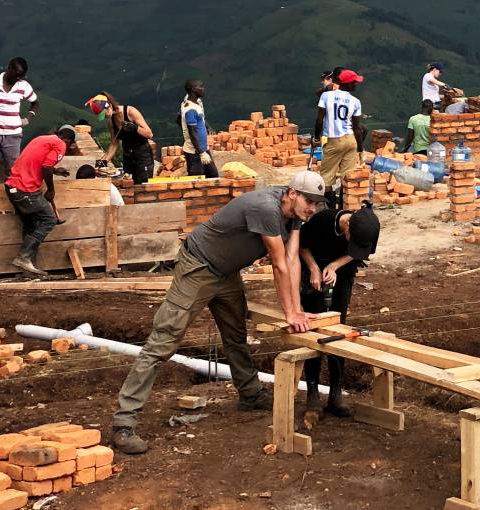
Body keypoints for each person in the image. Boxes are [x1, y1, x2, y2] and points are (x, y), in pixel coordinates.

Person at [109, 171, 329, 456]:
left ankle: (250, 394)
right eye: (309, 200)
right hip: (198, 267)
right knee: (163, 341)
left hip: (226, 273)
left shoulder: (297, 215)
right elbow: (278, 265)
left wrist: (298, 310)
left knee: (235, 334)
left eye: (317, 203)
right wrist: (289, 313)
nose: (312, 208)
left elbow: (291, 259)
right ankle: (124, 424)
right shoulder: (265, 207)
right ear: (292, 193)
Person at [299, 203, 381, 418]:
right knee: (315, 327)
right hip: (313, 267)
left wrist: (335, 266)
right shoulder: (322, 220)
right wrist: (314, 269)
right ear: (347, 227)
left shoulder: (369, 225)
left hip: (342, 271)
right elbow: (302, 245)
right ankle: (313, 394)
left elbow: (357, 254)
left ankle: (336, 394)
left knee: (339, 329)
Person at [4, 126, 76, 276]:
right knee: (49, 219)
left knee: (30, 225)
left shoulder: (42, 139)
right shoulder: (61, 145)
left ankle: (27, 268)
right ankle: (23, 257)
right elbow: (46, 166)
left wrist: (56, 170)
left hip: (12, 187)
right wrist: (51, 190)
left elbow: (38, 162)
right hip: (26, 190)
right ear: (68, 141)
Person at [314, 69, 369, 202]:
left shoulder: (326, 96)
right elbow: (356, 129)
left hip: (333, 141)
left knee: (327, 178)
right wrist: (360, 149)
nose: (356, 85)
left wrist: (316, 138)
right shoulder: (355, 101)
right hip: (350, 141)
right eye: (354, 82)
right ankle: (345, 207)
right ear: (347, 84)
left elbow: (319, 120)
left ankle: (330, 208)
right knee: (347, 177)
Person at [90, 93, 157, 184]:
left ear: (108, 105)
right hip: (127, 156)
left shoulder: (130, 112)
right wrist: (104, 160)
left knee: (143, 185)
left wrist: (135, 128)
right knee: (128, 184)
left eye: (104, 114)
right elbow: (114, 143)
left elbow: (149, 134)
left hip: (142, 155)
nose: (105, 117)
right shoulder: (111, 121)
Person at [180, 79, 218, 179]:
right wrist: (201, 153)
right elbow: (192, 132)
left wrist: (208, 127)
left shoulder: (197, 102)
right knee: (196, 182)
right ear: (193, 89)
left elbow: (200, 117)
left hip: (204, 149)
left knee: (213, 176)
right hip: (195, 153)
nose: (203, 89)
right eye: (200, 87)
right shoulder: (190, 110)